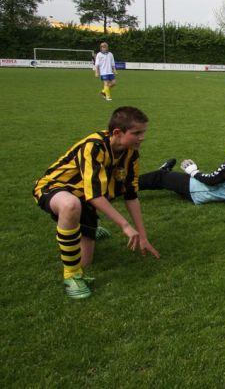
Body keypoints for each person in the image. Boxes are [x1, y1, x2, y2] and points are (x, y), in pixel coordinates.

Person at [32, 106, 160, 299]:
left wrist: (142, 235)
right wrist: (125, 226)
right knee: (70, 205)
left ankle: (83, 227)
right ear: (117, 132)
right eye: (136, 133)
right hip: (55, 188)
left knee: (86, 261)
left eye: (143, 132)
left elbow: (131, 195)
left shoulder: (130, 153)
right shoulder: (94, 146)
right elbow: (94, 195)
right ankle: (71, 275)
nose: (142, 137)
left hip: (85, 200)